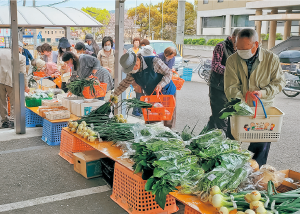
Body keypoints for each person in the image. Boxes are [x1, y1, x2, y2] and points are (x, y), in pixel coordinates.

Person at [224, 28, 286, 167]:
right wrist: (243, 105)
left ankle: (255, 176)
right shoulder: (232, 60)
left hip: (263, 109)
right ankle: (230, 171)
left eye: (244, 49)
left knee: (260, 145)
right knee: (232, 143)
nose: (240, 52)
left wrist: (263, 93)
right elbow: (231, 87)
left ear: (256, 44)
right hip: (239, 107)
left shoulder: (271, 59)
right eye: (237, 48)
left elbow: (279, 83)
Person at [112, 51, 177, 128]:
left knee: (167, 119)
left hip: (167, 92)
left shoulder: (154, 62)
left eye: (131, 69)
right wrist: (113, 95)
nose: (130, 72)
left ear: (136, 62)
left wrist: (160, 85)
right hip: (152, 96)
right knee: (151, 121)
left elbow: (169, 73)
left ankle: (169, 136)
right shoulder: (133, 72)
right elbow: (125, 83)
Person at [206, 28, 241, 138]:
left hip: (232, 88)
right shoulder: (221, 46)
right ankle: (226, 140)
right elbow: (215, 65)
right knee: (221, 114)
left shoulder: (240, 48)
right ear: (234, 37)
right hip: (218, 86)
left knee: (224, 113)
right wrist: (231, 71)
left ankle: (206, 134)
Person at [0, 48, 29, 128]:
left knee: (1, 101)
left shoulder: (1, 52)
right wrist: (26, 86)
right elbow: (23, 73)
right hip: (12, 81)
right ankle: (13, 121)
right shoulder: (21, 57)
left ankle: (4, 121)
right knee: (14, 101)